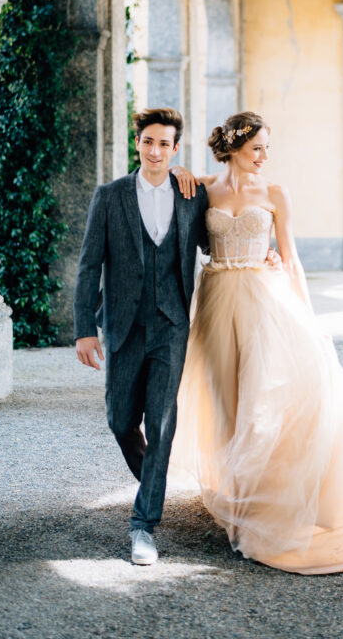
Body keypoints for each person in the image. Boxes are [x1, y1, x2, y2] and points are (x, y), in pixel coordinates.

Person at [171, 111, 343, 574]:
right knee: (223, 400)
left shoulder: (275, 193)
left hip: (260, 301)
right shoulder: (206, 188)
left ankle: (261, 503)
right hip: (213, 302)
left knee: (261, 400)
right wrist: (178, 170)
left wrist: (309, 318)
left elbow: (291, 260)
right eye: (257, 149)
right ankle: (236, 492)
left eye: (268, 148)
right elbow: (171, 184)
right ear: (232, 148)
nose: (265, 157)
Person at [73, 107, 210, 567]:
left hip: (172, 324)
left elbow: (218, 237)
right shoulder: (109, 196)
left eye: (164, 144)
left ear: (175, 149)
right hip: (123, 327)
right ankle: (157, 474)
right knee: (119, 419)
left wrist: (265, 255)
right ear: (138, 143)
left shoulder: (193, 195)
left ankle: (143, 526)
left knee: (163, 422)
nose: (155, 151)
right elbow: (90, 264)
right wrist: (83, 331)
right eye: (148, 142)